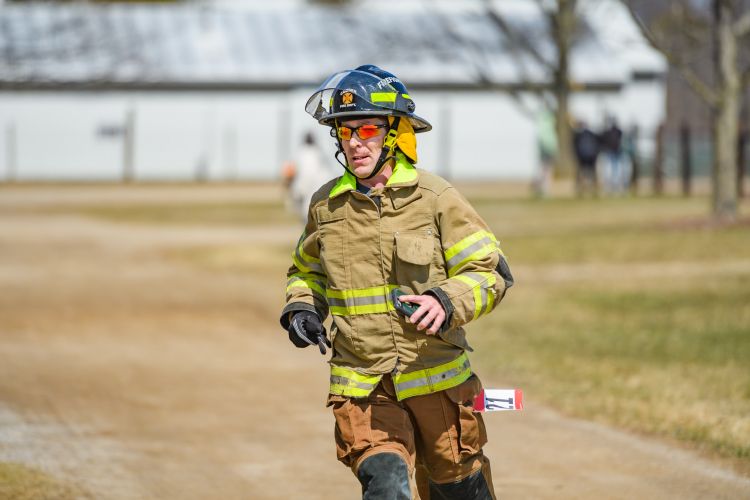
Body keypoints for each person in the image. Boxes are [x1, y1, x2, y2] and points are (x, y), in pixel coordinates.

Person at [279, 65, 514, 499]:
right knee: (385, 484)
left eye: (366, 128)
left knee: (458, 487)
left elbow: (490, 273)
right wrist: (302, 307)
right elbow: (306, 271)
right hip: (363, 383)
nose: (354, 142)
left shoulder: (436, 198)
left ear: (394, 133)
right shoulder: (325, 206)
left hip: (438, 382)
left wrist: (446, 300)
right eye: (344, 132)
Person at [287, 131, 334, 223]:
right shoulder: (319, 152)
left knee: (308, 218)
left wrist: (297, 192)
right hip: (323, 191)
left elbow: (304, 177)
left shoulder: (302, 153)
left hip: (309, 191)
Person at [572, 120, 600, 197]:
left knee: (582, 173)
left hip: (583, 156)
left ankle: (581, 189)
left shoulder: (578, 135)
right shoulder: (592, 134)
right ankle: (593, 189)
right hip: (591, 156)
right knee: (591, 173)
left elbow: (575, 146)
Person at [599, 118, 625, 194]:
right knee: (608, 171)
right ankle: (609, 186)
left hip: (615, 153)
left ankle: (615, 186)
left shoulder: (618, 132)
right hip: (609, 153)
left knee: (616, 171)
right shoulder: (610, 132)